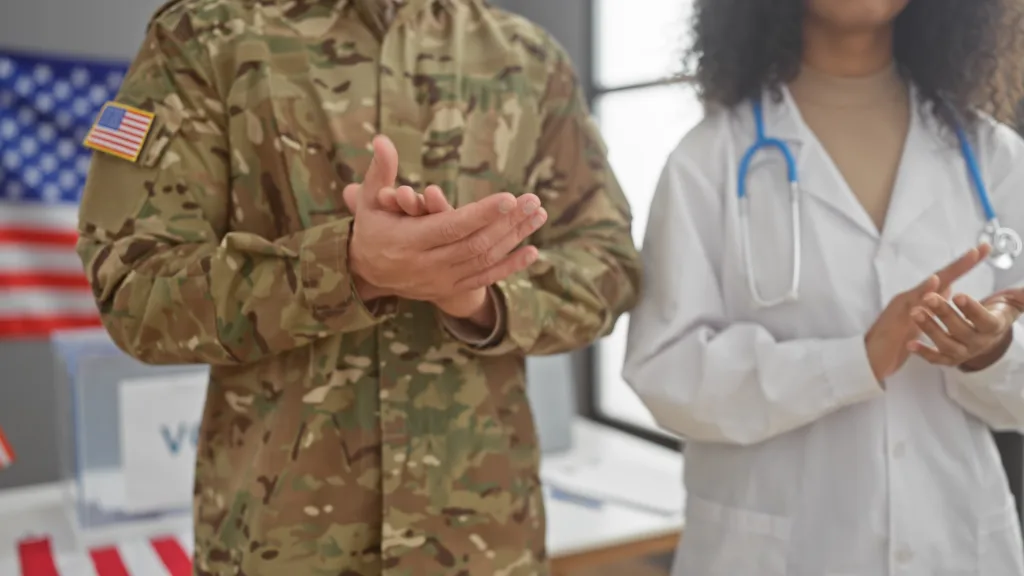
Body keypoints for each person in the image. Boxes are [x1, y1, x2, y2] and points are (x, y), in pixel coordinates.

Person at [75, 0, 642, 573]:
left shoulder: (529, 58)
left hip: (485, 546)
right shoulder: (203, 35)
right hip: (279, 549)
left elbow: (610, 262)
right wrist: (345, 267)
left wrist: (479, 294)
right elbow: (132, 286)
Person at [623, 0, 1024, 574]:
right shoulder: (710, 159)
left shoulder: (991, 155)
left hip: (953, 542)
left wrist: (992, 352)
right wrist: (853, 361)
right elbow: (666, 372)